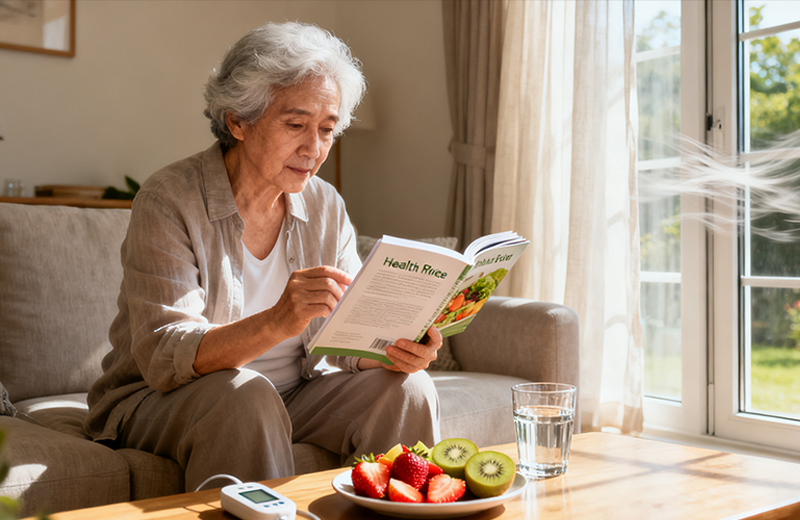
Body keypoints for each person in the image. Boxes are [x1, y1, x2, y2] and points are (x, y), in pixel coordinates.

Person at [84, 21, 442, 492]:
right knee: (245, 396)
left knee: (408, 389)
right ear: (238, 120)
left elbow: (345, 335)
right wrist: (278, 320)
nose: (313, 149)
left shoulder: (325, 204)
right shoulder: (168, 200)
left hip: (292, 393)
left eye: (327, 129)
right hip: (162, 398)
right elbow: (164, 352)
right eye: (295, 124)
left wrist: (394, 350)